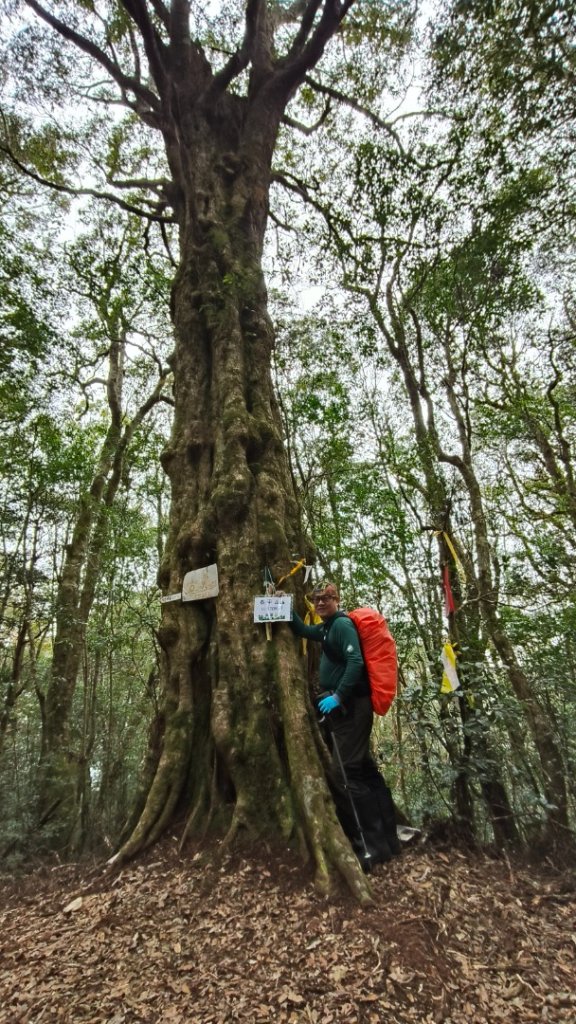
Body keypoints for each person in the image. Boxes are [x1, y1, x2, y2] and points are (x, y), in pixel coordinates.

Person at [288, 580, 400, 866]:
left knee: (345, 774)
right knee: (363, 769)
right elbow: (303, 630)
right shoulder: (326, 628)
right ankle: (388, 839)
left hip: (353, 707)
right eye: (317, 599)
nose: (320, 603)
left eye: (326, 598)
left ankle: (370, 846)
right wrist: (282, 606)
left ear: (337, 599)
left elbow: (355, 662)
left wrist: (338, 696)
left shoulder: (341, 625)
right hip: (345, 710)